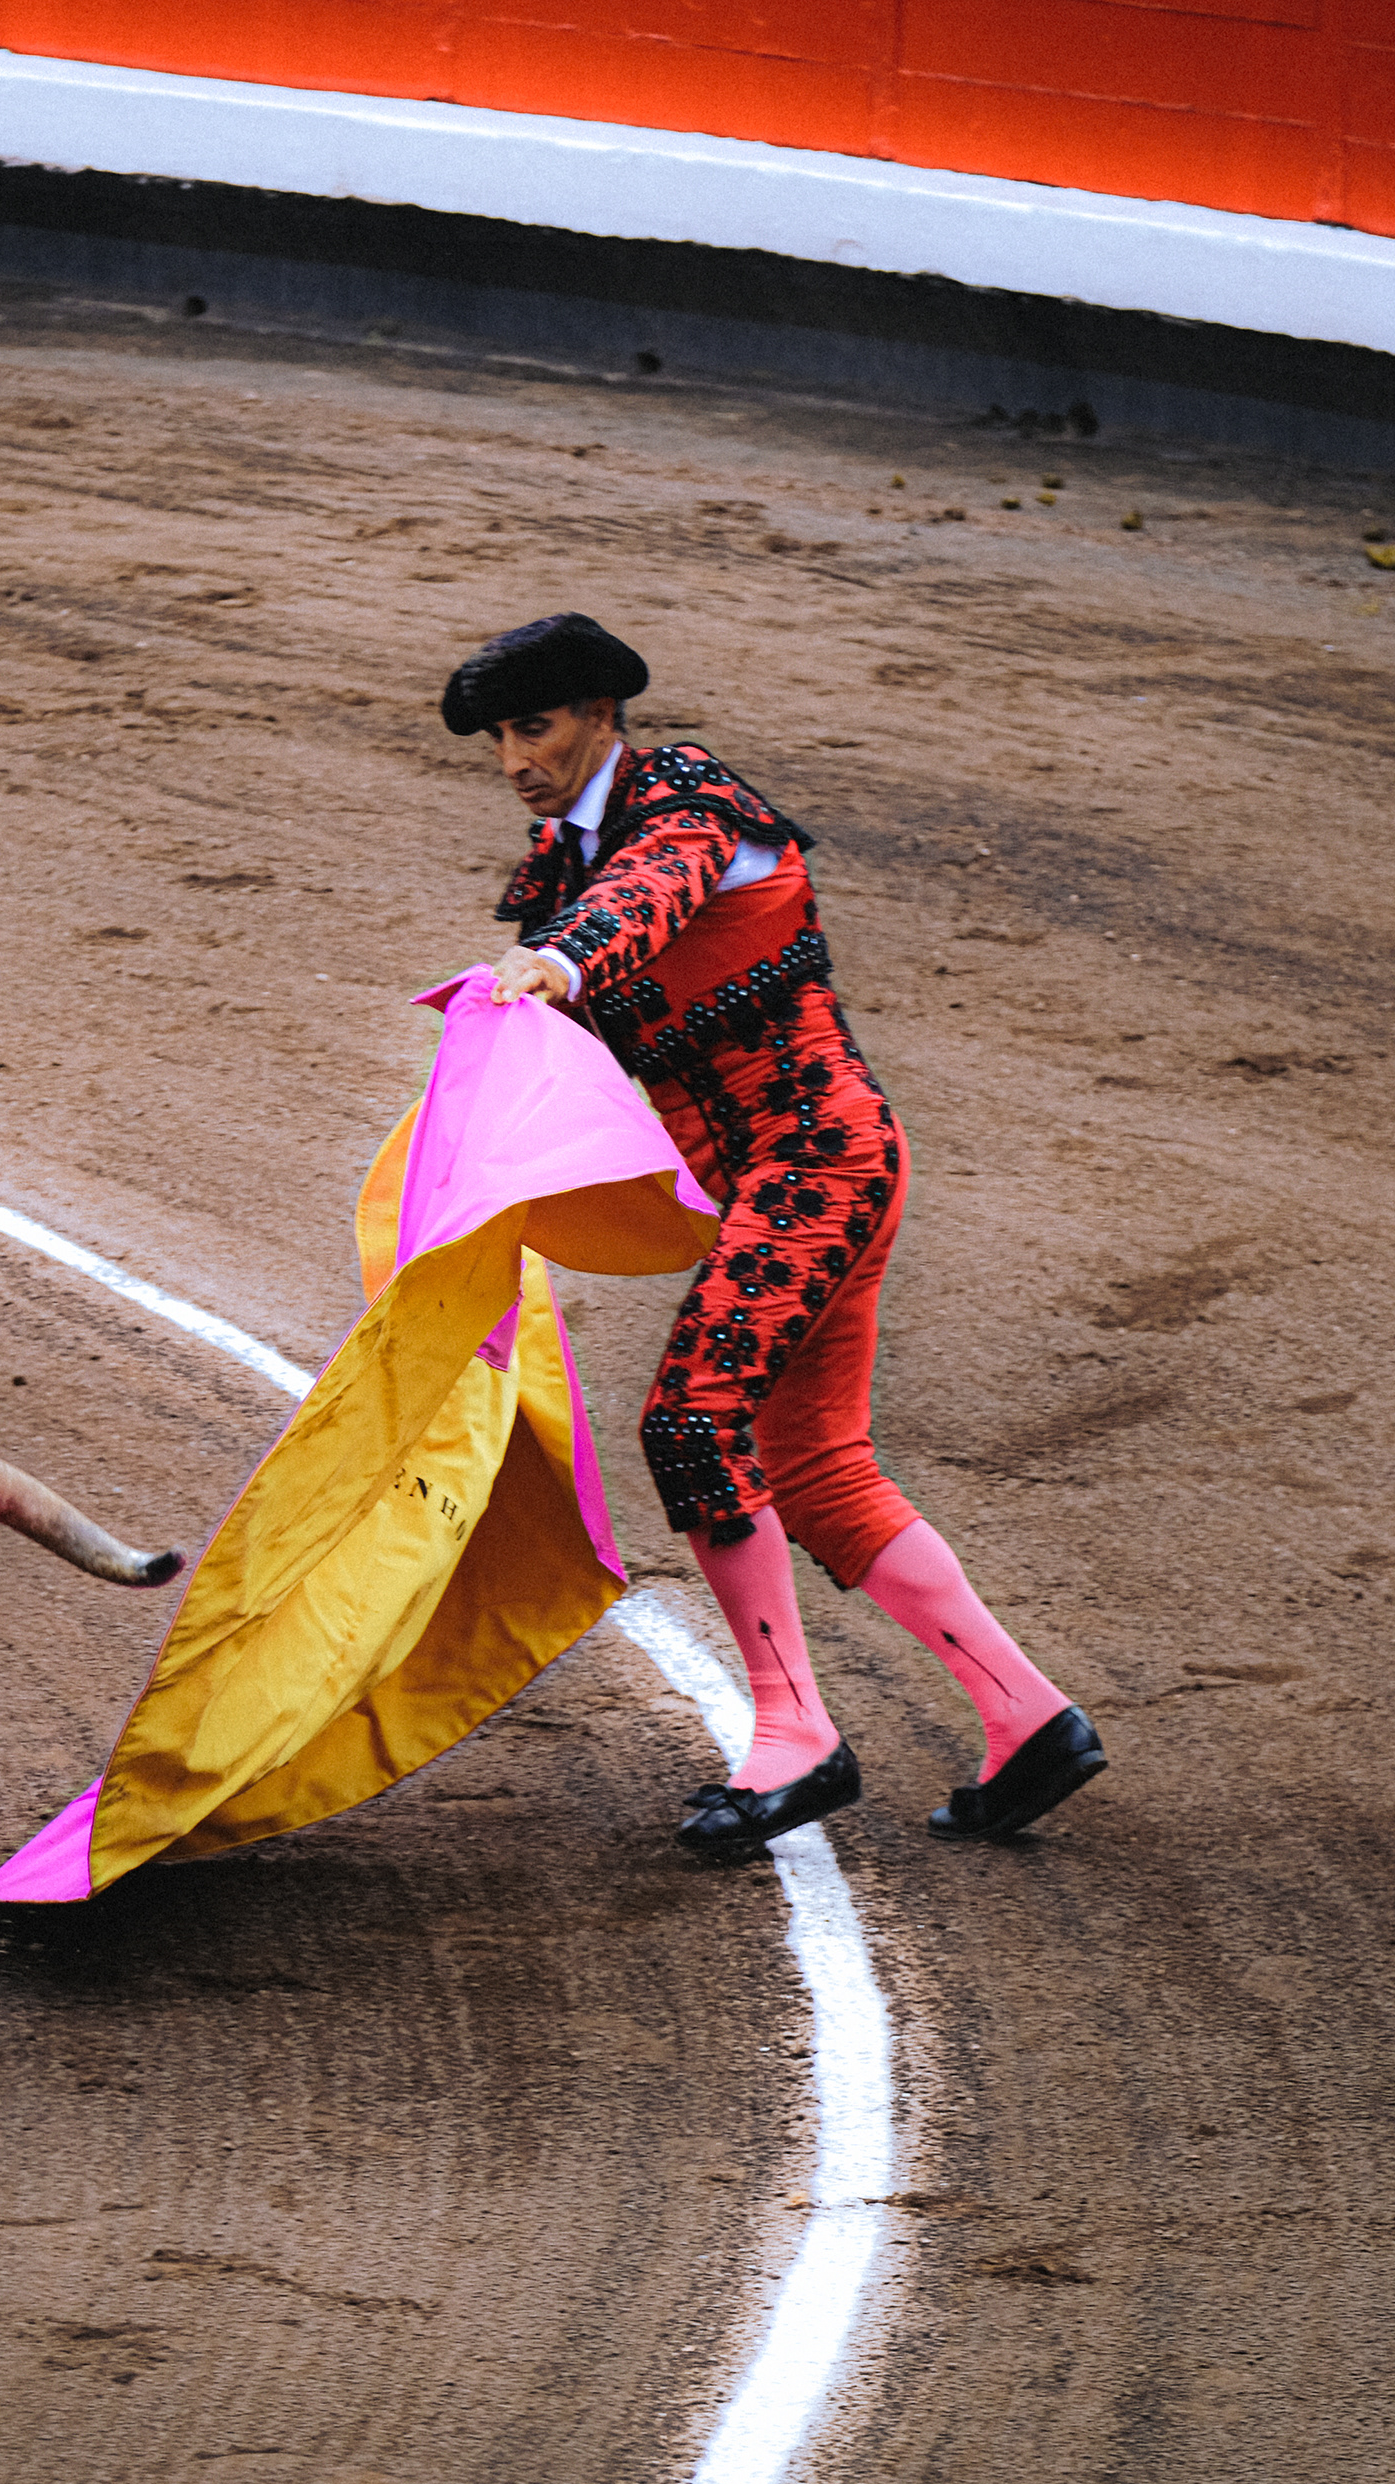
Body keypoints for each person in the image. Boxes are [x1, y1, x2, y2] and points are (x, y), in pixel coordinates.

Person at [439, 612, 1106, 1853]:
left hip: (817, 1162)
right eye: (499, 739)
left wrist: (564, 963)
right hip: (780, 1183)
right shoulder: (561, 860)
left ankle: (793, 1736)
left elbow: (656, 891)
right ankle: (1029, 1719)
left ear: (600, 715)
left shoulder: (687, 804)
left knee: (692, 1422)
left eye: (535, 727)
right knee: (816, 1470)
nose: (516, 757)